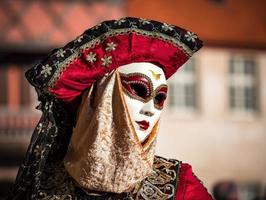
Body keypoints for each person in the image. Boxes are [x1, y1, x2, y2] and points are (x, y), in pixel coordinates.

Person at [8, 17, 213, 200]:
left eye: (159, 98)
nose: (151, 110)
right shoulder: (43, 186)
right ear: (101, 97)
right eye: (138, 90)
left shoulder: (180, 189)